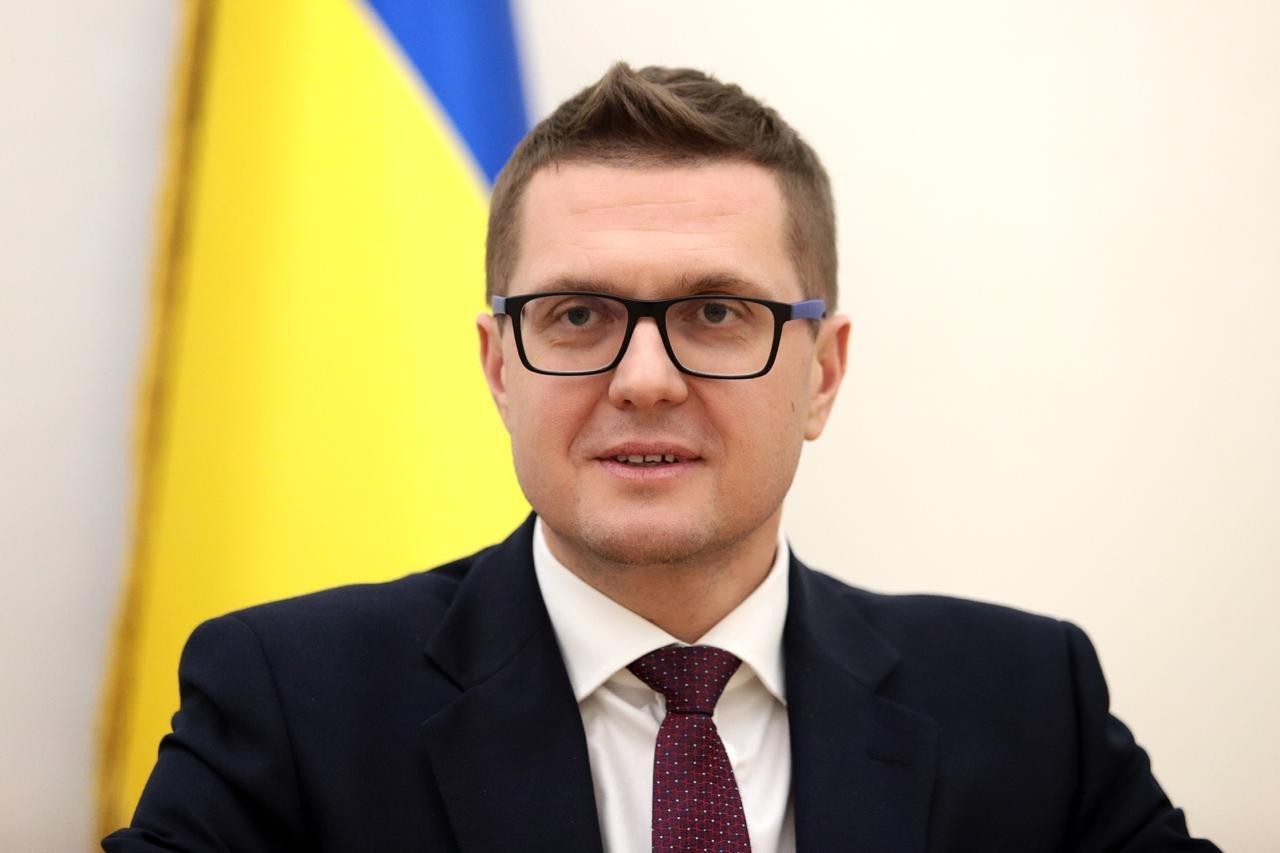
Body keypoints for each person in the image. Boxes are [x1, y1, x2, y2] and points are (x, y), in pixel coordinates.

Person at [104, 63, 1217, 852]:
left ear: (823, 372)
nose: (644, 379)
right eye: (578, 314)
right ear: (499, 366)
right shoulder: (288, 702)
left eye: (717, 312)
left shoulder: (1027, 703)